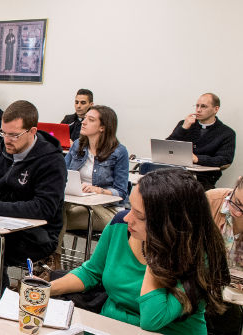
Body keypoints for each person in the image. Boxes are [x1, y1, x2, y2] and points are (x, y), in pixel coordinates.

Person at [50, 169, 229, 334]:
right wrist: (46, 290)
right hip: (106, 328)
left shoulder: (197, 255)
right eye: (130, 209)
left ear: (169, 225)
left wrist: (156, 249)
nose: (128, 218)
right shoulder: (120, 225)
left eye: (140, 215)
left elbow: (152, 320)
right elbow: (91, 272)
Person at [0, 100, 67, 303]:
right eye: (4, 133)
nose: (7, 140)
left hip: (38, 234)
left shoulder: (51, 160)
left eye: (14, 135)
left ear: (32, 131)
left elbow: (44, 208)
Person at [63, 105, 130, 233]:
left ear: (102, 127)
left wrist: (98, 190)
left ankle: (53, 253)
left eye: (91, 120)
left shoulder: (119, 152)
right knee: (54, 209)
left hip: (104, 209)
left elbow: (121, 192)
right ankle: (53, 253)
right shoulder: (77, 145)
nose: (84, 122)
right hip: (76, 202)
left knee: (55, 219)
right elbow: (62, 173)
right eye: (85, 118)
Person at [166, 93, 236, 190]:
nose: (198, 110)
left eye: (203, 106)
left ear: (216, 109)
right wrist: (183, 129)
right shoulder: (185, 124)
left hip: (203, 178)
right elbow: (167, 148)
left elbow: (224, 160)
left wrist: (197, 159)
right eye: (197, 106)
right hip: (176, 173)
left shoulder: (227, 133)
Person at [205, 176, 243, 335]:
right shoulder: (211, 200)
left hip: (233, 299)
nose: (238, 213)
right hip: (203, 289)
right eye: (238, 203)